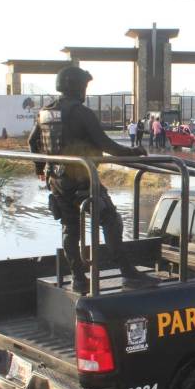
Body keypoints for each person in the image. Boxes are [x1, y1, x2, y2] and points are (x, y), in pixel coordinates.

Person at [28, 66, 157, 293]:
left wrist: (40, 168)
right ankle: (128, 274)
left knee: (70, 229)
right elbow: (107, 144)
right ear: (74, 86)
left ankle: (78, 279)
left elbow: (32, 142)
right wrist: (134, 152)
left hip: (57, 181)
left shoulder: (44, 113)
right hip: (82, 181)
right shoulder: (81, 113)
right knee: (111, 220)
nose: (84, 91)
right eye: (83, 86)